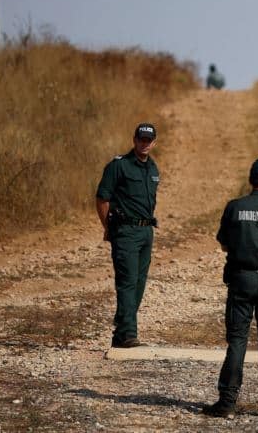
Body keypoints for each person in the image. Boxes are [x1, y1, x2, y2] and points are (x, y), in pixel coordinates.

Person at [204, 158, 258, 419]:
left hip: (241, 280)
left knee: (237, 341)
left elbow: (224, 242)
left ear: (250, 179)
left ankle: (227, 404)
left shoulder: (234, 207)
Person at [96, 123, 161, 348]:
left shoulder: (153, 168)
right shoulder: (119, 166)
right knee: (127, 282)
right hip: (126, 232)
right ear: (134, 140)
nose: (144, 143)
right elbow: (102, 199)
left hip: (146, 231)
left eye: (148, 140)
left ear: (154, 143)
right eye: (141, 139)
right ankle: (128, 334)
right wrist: (108, 228)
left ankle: (121, 330)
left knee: (139, 283)